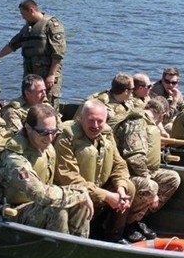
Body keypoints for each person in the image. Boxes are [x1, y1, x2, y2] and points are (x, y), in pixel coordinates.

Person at [0, 104, 93, 237]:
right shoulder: (13, 158)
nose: (50, 138)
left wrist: (80, 194)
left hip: (30, 206)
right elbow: (40, 194)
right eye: (44, 132)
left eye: (54, 132)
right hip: (3, 212)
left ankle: (78, 247)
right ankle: (58, 253)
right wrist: (78, 194)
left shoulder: (43, 146)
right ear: (28, 128)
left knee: (81, 205)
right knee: (57, 209)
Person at [54, 99, 140, 244]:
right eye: (91, 121)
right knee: (80, 196)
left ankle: (114, 236)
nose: (95, 126)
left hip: (97, 189)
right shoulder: (66, 137)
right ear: (81, 118)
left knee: (129, 187)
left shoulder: (106, 134)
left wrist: (120, 189)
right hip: (74, 192)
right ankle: (78, 240)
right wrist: (106, 196)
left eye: (100, 121)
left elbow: (119, 165)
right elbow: (69, 177)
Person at [113, 97, 181, 241]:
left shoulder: (148, 124)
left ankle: (136, 219)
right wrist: (148, 178)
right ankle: (126, 225)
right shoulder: (136, 123)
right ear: (162, 116)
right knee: (151, 186)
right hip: (123, 175)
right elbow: (135, 159)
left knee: (171, 178)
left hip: (140, 172)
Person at [0, 0, 66, 110]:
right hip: (30, 74)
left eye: (23, 13)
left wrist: (51, 75)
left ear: (31, 10)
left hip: (47, 74)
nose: (22, 17)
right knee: (29, 102)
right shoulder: (27, 28)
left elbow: (58, 53)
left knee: (48, 104)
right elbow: (13, 44)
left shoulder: (52, 25)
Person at [150, 67, 184, 131]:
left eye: (173, 83)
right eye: (167, 82)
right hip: (157, 124)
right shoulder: (155, 93)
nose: (170, 85)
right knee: (171, 128)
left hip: (170, 120)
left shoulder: (175, 92)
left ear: (177, 82)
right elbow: (164, 119)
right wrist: (174, 102)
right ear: (162, 80)